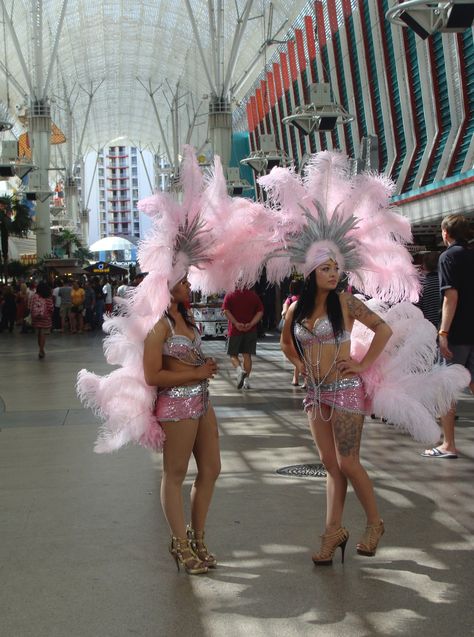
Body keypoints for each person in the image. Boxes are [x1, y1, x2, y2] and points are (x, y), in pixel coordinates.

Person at [281, 261, 391, 564]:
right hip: (316, 394)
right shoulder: (296, 310)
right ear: (310, 273)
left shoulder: (346, 302)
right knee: (330, 464)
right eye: (325, 268)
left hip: (345, 390)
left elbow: (384, 329)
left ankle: (374, 524)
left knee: (348, 462)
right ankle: (333, 532)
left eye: (335, 268)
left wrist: (362, 364)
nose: (333, 274)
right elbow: (286, 343)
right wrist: (299, 364)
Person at [143, 274, 220, 575]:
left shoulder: (185, 318)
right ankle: (179, 543)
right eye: (183, 281)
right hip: (175, 405)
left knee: (212, 469)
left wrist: (203, 370)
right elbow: (153, 376)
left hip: (202, 401)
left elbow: (190, 364)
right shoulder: (158, 325)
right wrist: (196, 374)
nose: (189, 285)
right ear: (166, 284)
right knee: (174, 474)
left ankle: (197, 538)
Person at [422, 215, 474, 459]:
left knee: (445, 389)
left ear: (445, 233)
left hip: (457, 333)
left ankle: (448, 444)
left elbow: (450, 297)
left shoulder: (448, 257)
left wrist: (443, 333)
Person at [222, 286, 264, 390]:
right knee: (247, 356)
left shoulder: (230, 295)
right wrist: (251, 324)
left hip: (235, 331)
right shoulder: (253, 295)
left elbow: (226, 311)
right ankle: (246, 381)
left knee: (233, 355)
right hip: (250, 331)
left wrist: (236, 323)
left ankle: (239, 370)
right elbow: (260, 312)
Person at [281, 279, 303, 385]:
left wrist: (285, 314)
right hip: (306, 329)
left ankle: (295, 378)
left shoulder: (289, 299)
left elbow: (284, 311)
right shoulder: (306, 299)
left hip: (293, 330)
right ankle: (306, 381)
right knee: (305, 354)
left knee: (297, 353)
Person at [416, 252, 440, 328]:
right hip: (447, 325)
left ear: (424, 266)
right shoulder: (447, 282)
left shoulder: (421, 284)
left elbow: (417, 308)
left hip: (429, 327)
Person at [30, 281, 54, 358]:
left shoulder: (34, 296)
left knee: (39, 334)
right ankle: (41, 350)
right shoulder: (48, 296)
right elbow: (51, 308)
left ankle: (41, 349)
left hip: (36, 317)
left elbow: (31, 306)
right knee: (43, 334)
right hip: (46, 317)